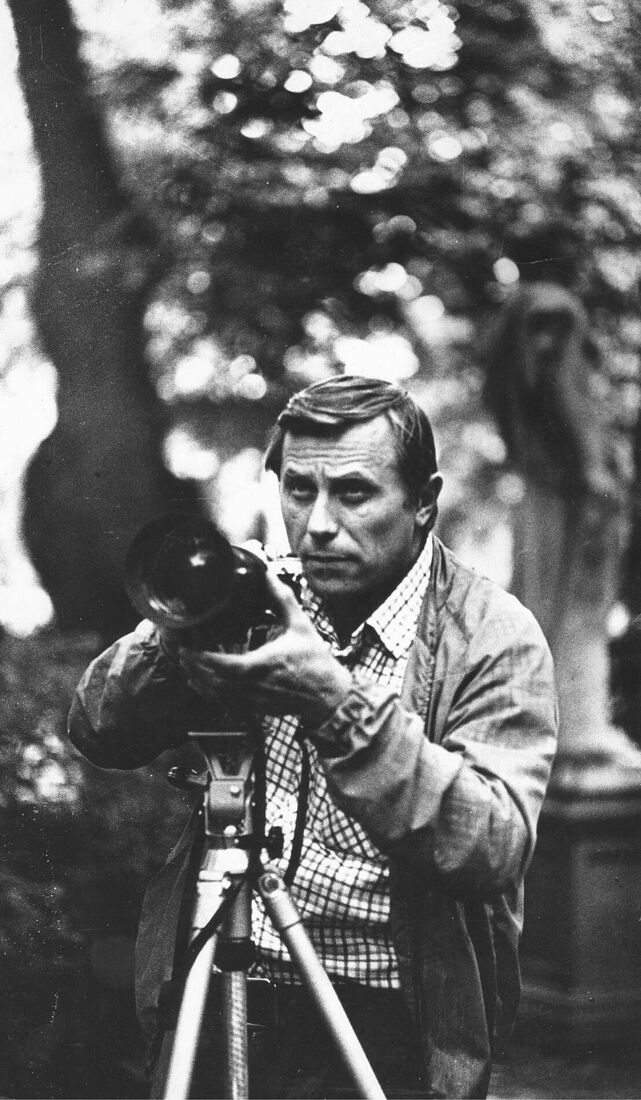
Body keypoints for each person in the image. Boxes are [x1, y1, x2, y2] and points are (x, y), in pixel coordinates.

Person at [68, 375, 558, 1100]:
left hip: (389, 1022)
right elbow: (97, 730)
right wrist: (182, 630)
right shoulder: (268, 597)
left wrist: (334, 704)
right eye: (299, 490)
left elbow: (490, 846)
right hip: (225, 985)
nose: (319, 524)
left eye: (354, 494)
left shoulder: (492, 637)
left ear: (424, 502)